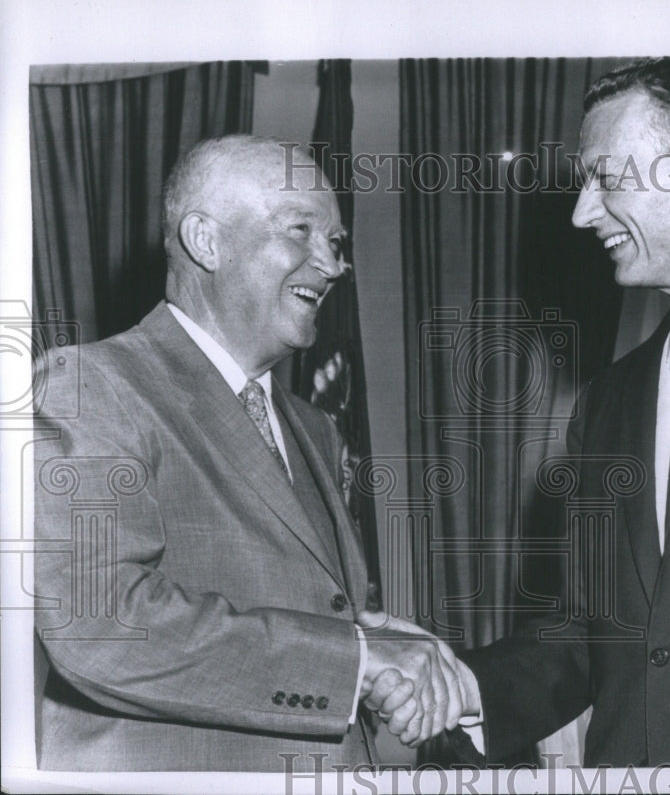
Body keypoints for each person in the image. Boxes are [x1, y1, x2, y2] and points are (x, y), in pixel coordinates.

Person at [371, 57, 670, 767]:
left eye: (608, 177)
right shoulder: (607, 402)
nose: (580, 212)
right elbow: (587, 633)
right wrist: (458, 682)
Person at [32, 135, 468, 771]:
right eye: (301, 230)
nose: (333, 264)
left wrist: (374, 641)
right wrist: (353, 660)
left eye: (337, 242)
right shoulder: (87, 385)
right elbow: (102, 627)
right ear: (205, 240)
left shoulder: (314, 429)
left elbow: (294, 607)